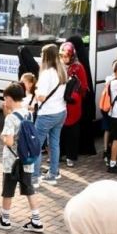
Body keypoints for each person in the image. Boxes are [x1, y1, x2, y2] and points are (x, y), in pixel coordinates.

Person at [0, 82, 41, 232]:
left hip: (12, 162)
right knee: (29, 189)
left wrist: (2, 136)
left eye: (5, 98)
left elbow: (10, 141)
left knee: (8, 189)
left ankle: (5, 219)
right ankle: (36, 220)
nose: (4, 101)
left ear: (10, 99)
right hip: (27, 159)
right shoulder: (29, 113)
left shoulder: (11, 118)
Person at [32, 44, 67, 187]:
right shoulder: (62, 70)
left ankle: (35, 177)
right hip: (61, 111)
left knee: (36, 146)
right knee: (54, 143)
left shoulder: (47, 73)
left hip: (47, 114)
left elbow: (41, 97)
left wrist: (34, 91)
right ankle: (53, 174)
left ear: (46, 56)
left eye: (41, 53)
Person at [65, 35, 97, 156]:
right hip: (84, 97)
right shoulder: (83, 59)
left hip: (78, 98)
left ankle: (76, 149)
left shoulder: (77, 64)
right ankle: (86, 148)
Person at [59, 42, 89, 168]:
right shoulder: (58, 66)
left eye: (66, 56)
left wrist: (73, 87)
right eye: (62, 56)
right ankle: (59, 154)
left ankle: (71, 156)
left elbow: (84, 87)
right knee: (59, 130)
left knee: (72, 131)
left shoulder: (78, 67)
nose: (64, 59)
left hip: (72, 104)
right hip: (60, 102)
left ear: (72, 56)